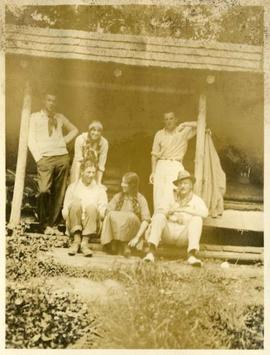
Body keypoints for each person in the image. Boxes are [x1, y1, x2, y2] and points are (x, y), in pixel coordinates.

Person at [28, 90, 78, 235]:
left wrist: (63, 141)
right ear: (44, 101)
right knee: (43, 190)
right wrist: (38, 158)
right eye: (49, 100)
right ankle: (44, 224)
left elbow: (75, 130)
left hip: (61, 157)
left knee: (59, 192)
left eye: (54, 100)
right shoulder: (35, 117)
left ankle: (53, 225)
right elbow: (30, 138)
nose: (51, 103)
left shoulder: (60, 117)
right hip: (45, 159)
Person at [144, 170, 208, 266]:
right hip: (168, 234)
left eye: (185, 183)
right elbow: (160, 210)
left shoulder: (196, 200)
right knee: (159, 216)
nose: (182, 186)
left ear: (191, 186)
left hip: (183, 236)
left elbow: (205, 213)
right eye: (180, 184)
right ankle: (151, 253)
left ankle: (191, 256)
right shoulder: (170, 197)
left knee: (197, 219)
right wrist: (171, 215)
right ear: (177, 186)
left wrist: (183, 210)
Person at [150, 111, 197, 212]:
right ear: (163, 121)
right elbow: (154, 155)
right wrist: (153, 172)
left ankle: (172, 219)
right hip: (161, 165)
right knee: (159, 194)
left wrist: (185, 124)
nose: (168, 121)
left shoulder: (183, 131)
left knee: (173, 192)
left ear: (176, 119)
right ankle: (158, 220)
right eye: (166, 119)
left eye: (171, 118)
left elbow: (201, 124)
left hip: (176, 165)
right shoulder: (159, 134)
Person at [62, 160, 108, 257]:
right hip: (74, 223)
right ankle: (76, 241)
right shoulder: (73, 188)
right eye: (88, 172)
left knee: (91, 207)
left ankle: (84, 243)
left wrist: (99, 212)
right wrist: (76, 212)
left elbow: (103, 211)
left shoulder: (99, 190)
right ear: (82, 172)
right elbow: (65, 211)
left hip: (92, 224)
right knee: (75, 203)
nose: (91, 175)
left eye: (93, 172)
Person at [100, 172, 151, 256]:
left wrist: (137, 237)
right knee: (111, 214)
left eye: (125, 183)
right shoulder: (118, 197)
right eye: (122, 182)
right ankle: (119, 244)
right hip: (116, 234)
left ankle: (124, 245)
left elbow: (146, 220)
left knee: (130, 216)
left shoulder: (141, 199)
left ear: (133, 185)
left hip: (133, 233)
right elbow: (107, 213)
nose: (122, 185)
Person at [70, 120, 109, 184]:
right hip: (78, 167)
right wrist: (76, 181)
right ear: (89, 130)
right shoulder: (80, 139)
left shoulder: (104, 143)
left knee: (92, 188)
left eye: (98, 131)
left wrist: (99, 182)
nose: (96, 133)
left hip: (93, 169)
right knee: (76, 187)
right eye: (93, 130)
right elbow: (78, 161)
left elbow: (101, 164)